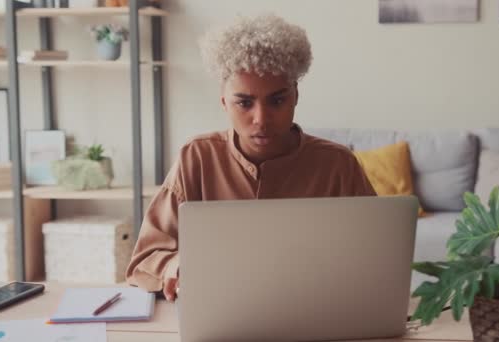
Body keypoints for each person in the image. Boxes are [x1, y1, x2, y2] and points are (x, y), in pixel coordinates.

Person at [126, 14, 376, 301]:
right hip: (221, 313)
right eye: (244, 103)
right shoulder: (196, 157)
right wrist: (173, 264)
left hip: (315, 308)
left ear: (295, 95)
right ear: (224, 101)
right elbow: (143, 260)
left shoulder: (338, 165)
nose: (261, 119)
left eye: (277, 100)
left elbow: (376, 254)